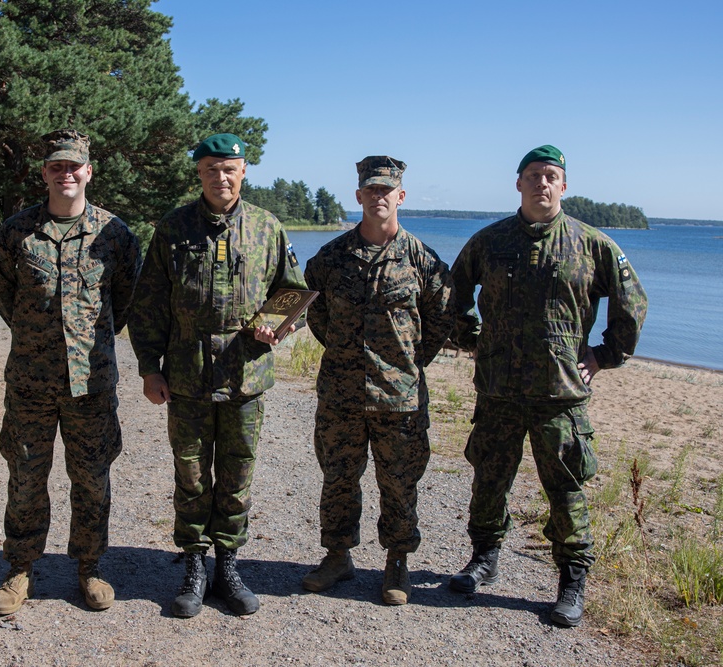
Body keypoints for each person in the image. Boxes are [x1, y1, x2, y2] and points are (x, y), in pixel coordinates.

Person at [448, 145, 648, 627]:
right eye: (533, 175)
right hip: (497, 393)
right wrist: (473, 340)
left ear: (563, 186)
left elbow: (632, 305)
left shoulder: (592, 244)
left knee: (566, 490)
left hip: (559, 397)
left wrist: (603, 356)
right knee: (489, 481)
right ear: (518, 184)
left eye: (551, 175)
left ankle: (572, 580)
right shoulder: (489, 241)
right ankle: (484, 559)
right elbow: (452, 294)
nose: (542, 183)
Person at [128, 133, 308, 617]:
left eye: (229, 168)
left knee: (236, 474)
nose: (220, 177)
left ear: (244, 171)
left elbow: (294, 294)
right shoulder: (173, 229)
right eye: (211, 169)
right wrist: (149, 369)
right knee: (190, 474)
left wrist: (277, 325)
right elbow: (147, 306)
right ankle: (192, 565)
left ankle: (228, 563)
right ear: (200, 174)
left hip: (246, 374)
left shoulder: (268, 228)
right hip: (186, 376)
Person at [0, 129, 141, 615]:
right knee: (26, 477)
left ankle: (89, 567)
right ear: (45, 173)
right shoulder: (14, 232)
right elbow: (3, 296)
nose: (66, 174)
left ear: (88, 172)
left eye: (74, 166)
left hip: (91, 385)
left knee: (92, 479)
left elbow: (125, 301)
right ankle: (19, 569)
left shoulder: (115, 234)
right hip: (30, 384)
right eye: (57, 166)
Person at [301, 156, 454, 605]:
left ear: (400, 196)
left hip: (399, 399)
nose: (378, 197)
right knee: (338, 478)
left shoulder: (423, 260)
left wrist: (406, 363)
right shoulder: (331, 258)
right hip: (341, 396)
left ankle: (397, 562)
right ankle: (337, 556)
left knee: (399, 483)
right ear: (359, 196)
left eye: (386, 190)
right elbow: (313, 308)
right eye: (371, 190)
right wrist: (342, 351)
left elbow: (440, 319)